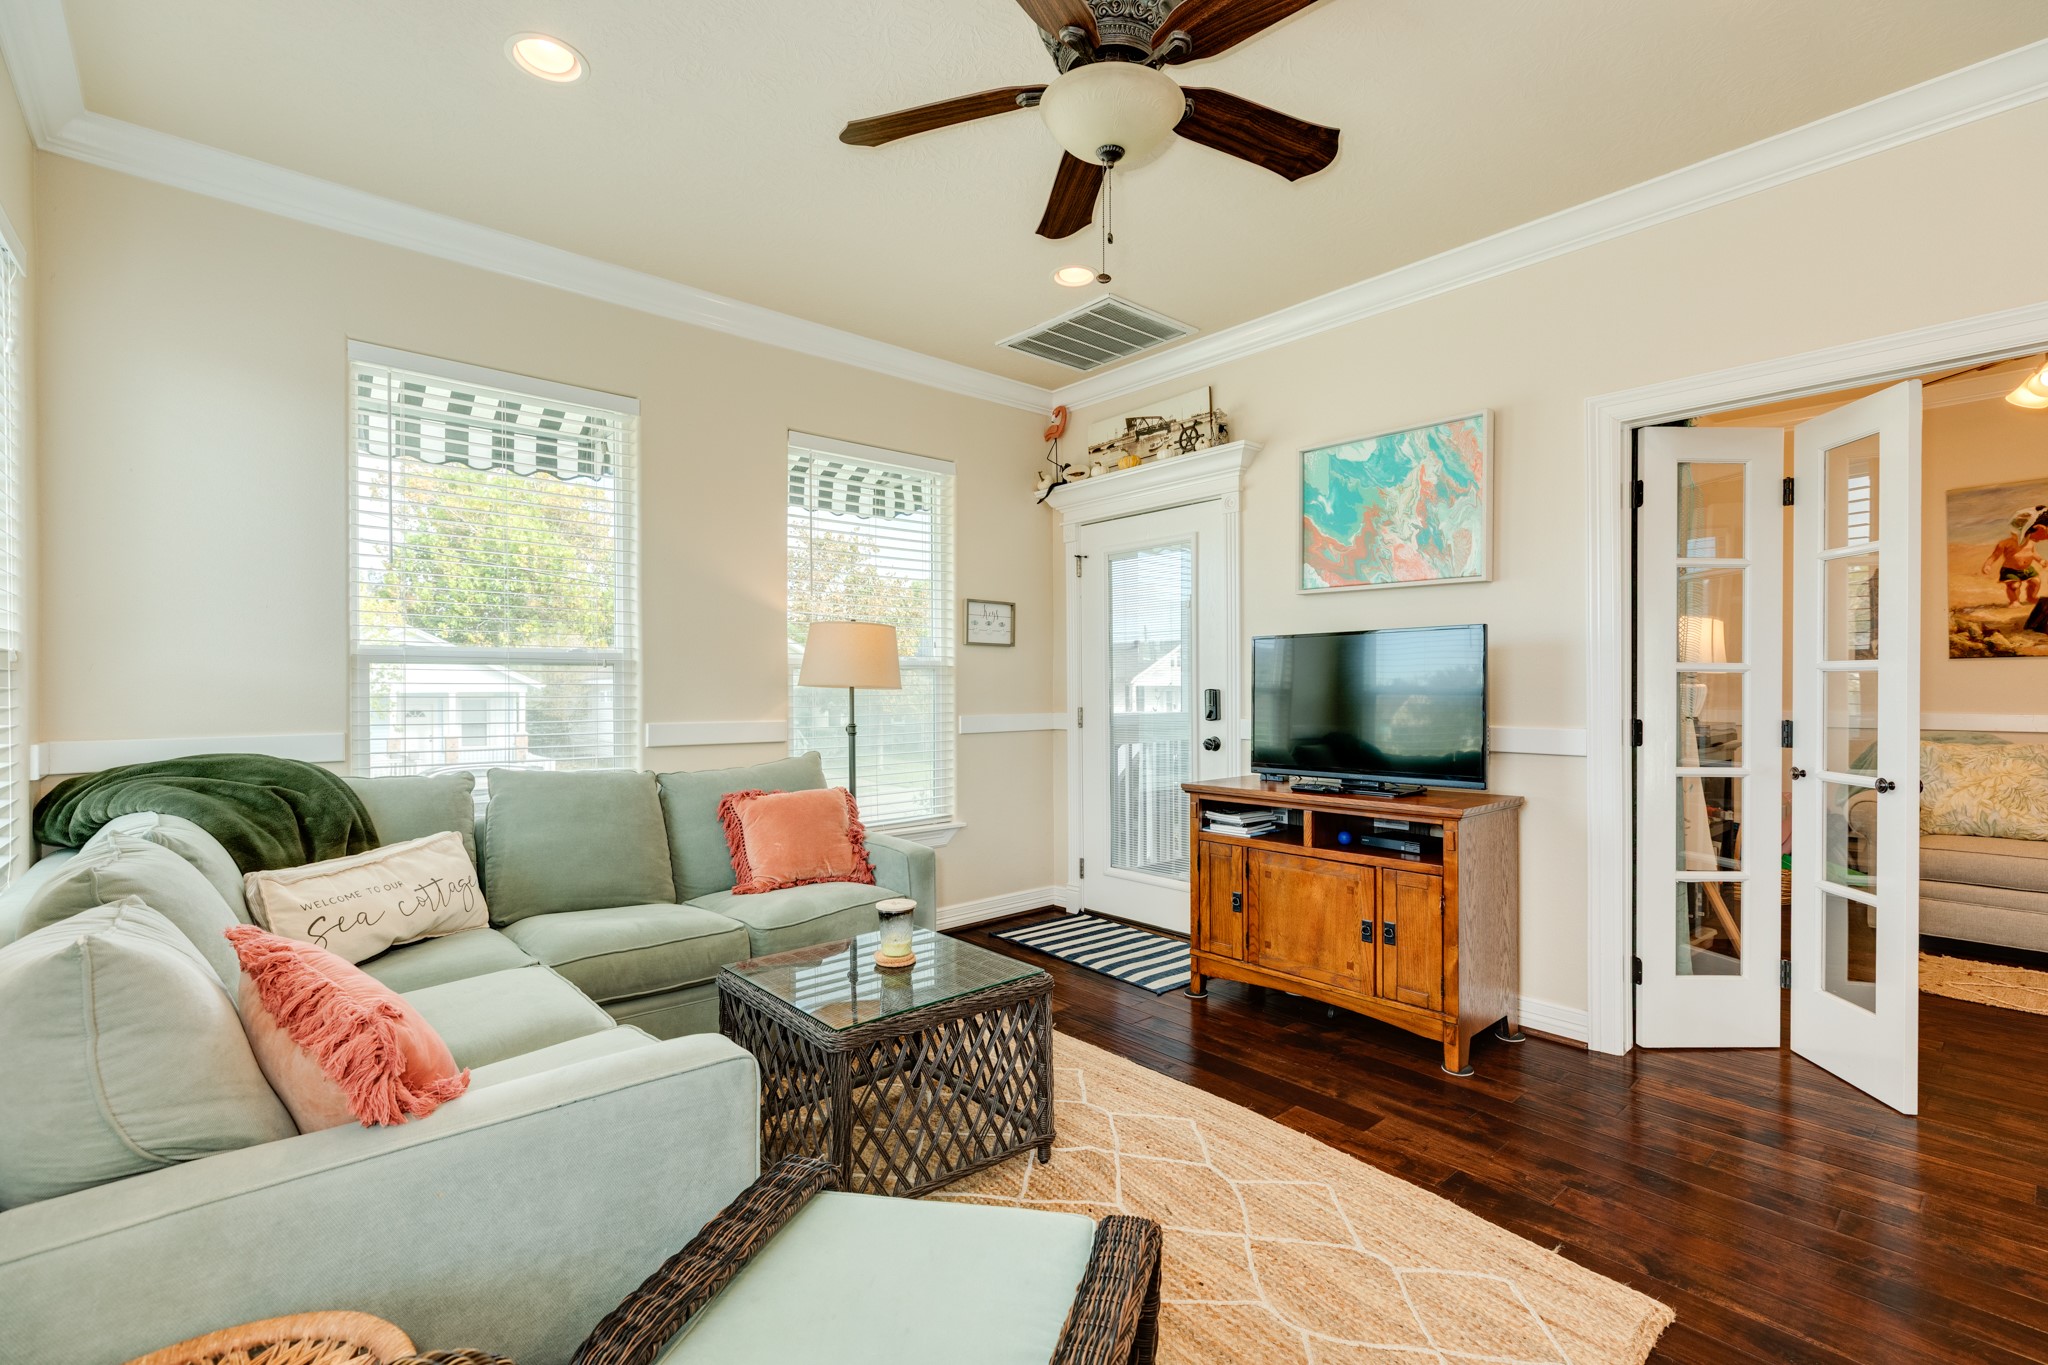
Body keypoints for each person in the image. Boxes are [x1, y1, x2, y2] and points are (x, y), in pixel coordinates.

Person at [1984, 505, 2048, 605]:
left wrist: (2040, 560)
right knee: (2014, 586)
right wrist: (1988, 565)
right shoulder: (2006, 543)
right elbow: (1994, 556)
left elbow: (2033, 553)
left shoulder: (2030, 543)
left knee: (2036, 581)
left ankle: (2031, 597)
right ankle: (2014, 601)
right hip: (2010, 570)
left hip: (2027, 569)